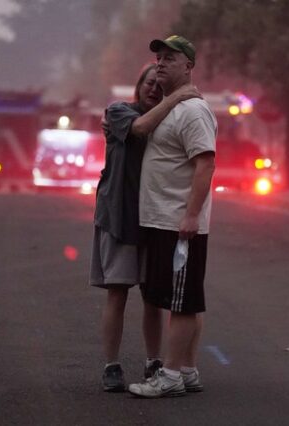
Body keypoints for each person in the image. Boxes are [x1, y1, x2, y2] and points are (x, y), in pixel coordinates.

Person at [89, 63, 201, 392]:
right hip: (119, 218)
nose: (153, 89)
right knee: (118, 293)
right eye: (148, 83)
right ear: (138, 86)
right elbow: (139, 128)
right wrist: (176, 97)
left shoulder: (169, 121)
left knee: (153, 298)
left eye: (159, 85)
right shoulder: (120, 112)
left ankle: (154, 360)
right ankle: (111, 365)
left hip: (155, 220)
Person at [128, 35, 217, 398]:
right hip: (159, 219)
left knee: (182, 302)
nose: (161, 63)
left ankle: (170, 375)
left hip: (178, 222)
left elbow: (206, 164)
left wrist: (191, 216)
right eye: (159, 57)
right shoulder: (171, 106)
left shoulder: (194, 111)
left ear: (188, 66)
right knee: (178, 298)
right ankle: (188, 370)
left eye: (170, 58)